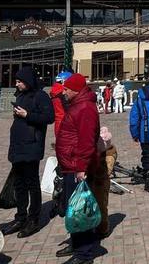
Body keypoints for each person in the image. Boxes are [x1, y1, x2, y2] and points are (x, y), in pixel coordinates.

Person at [3, 67, 54, 238]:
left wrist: (27, 114)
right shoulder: (21, 95)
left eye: (19, 81)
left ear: (28, 81)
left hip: (32, 146)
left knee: (32, 183)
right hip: (18, 146)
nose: (16, 84)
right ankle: (21, 216)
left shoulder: (40, 96)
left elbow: (49, 117)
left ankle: (34, 218)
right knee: (19, 183)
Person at [55, 73, 101, 264]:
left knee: (80, 211)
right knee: (71, 208)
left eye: (66, 89)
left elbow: (86, 142)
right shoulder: (77, 105)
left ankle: (84, 254)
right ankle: (76, 243)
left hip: (77, 167)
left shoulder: (85, 108)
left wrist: (81, 168)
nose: (63, 92)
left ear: (75, 90)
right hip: (70, 165)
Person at [50, 71, 71, 137]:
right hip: (66, 123)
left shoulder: (54, 91)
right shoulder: (63, 93)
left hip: (58, 122)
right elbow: (68, 109)